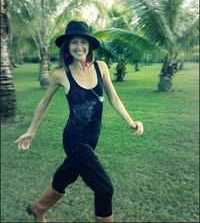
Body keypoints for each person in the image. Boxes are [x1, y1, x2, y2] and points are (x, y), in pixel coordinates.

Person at [15, 20, 144, 223]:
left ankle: (37, 208)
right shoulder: (60, 74)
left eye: (83, 42)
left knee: (67, 174)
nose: (79, 47)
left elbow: (114, 98)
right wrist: (31, 131)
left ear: (89, 45)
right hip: (74, 139)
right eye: (74, 42)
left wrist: (130, 121)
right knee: (104, 188)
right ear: (67, 46)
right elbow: (43, 102)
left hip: (93, 137)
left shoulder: (100, 67)